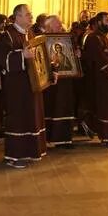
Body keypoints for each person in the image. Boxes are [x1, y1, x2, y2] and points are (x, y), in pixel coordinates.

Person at [0, 4, 46, 168]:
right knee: (18, 119)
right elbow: (2, 59)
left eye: (31, 14)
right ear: (17, 17)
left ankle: (29, 151)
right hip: (16, 87)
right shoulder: (7, 36)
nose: (31, 16)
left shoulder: (30, 33)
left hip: (31, 85)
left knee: (31, 117)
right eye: (28, 14)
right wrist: (21, 56)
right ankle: (14, 156)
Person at [80, 12, 108, 146]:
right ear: (98, 22)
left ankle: (101, 130)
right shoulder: (93, 38)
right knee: (105, 106)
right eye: (106, 20)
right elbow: (99, 58)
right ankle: (105, 137)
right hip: (100, 77)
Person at [40, 15, 76, 148]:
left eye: (61, 24)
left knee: (65, 108)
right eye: (58, 25)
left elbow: (69, 61)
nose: (61, 27)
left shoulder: (66, 39)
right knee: (52, 109)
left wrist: (76, 55)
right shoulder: (42, 40)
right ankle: (50, 138)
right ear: (49, 27)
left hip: (66, 80)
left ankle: (65, 139)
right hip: (50, 83)